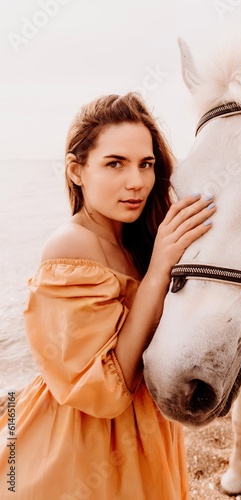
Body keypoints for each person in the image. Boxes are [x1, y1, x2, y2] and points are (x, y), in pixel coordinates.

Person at [0, 93, 216, 499]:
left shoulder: (139, 239)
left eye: (145, 164)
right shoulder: (70, 247)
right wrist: (157, 273)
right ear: (77, 170)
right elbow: (108, 392)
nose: (136, 181)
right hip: (87, 441)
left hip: (146, 431)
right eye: (114, 163)